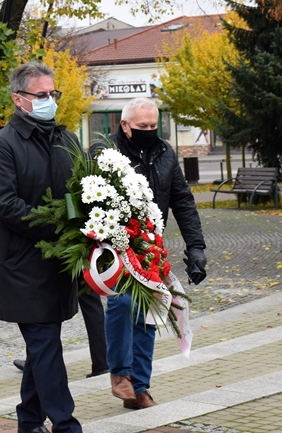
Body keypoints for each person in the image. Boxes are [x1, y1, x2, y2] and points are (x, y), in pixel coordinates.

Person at [0, 61, 82, 433]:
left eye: (52, 95)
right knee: (46, 344)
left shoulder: (66, 139)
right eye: (41, 96)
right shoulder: (1, 146)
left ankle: (28, 421)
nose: (49, 102)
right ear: (18, 99)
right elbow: (6, 207)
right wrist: (59, 226)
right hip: (22, 266)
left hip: (59, 262)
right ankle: (66, 423)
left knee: (42, 345)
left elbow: (80, 190)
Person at [97, 97, 207, 410]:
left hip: (150, 246)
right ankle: (120, 374)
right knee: (123, 301)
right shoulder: (107, 153)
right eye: (141, 126)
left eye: (152, 126)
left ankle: (140, 388)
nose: (148, 131)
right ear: (124, 125)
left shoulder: (165, 153)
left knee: (148, 314)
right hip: (114, 243)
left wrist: (196, 247)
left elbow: (182, 200)